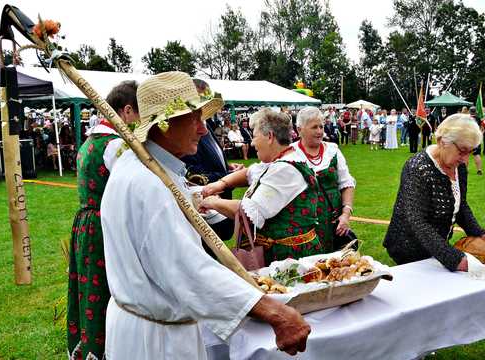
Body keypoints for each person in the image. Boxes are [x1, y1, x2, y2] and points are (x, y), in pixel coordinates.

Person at [101, 72, 310, 359]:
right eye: (195, 119)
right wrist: (274, 311)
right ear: (163, 125)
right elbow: (188, 271)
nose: (203, 130)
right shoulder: (147, 184)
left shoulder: (145, 169)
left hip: (150, 327)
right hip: (156, 343)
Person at [67, 80, 140, 360]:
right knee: (105, 293)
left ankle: (91, 348)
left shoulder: (90, 141)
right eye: (140, 114)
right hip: (103, 226)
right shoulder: (116, 146)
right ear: (127, 111)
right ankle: (105, 350)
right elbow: (131, 191)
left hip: (86, 223)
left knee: (90, 289)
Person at [201, 108, 328, 264]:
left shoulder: (285, 169)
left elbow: (250, 212)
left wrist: (213, 202)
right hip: (280, 255)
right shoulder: (278, 161)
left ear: (269, 136)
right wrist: (221, 183)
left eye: (254, 136)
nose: (252, 142)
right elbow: (250, 172)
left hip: (289, 259)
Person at [383, 114, 485, 271]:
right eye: (462, 151)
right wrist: (454, 259)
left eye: (470, 152)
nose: (465, 159)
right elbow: (417, 221)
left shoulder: (459, 166)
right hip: (408, 250)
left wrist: (480, 234)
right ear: (442, 141)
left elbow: (460, 205)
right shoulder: (417, 168)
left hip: (435, 248)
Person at [290, 106, 356, 251]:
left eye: (321, 126)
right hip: (304, 228)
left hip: (335, 225)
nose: (320, 131)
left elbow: (347, 184)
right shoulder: (290, 153)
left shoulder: (332, 150)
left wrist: (345, 214)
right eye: (314, 127)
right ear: (299, 129)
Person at [468, 106, 483, 175]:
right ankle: (479, 169)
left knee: (466, 154)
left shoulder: (467, 119)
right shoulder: (478, 118)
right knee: (477, 154)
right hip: (476, 138)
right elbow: (480, 128)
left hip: (468, 137)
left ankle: (465, 169)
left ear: (469, 111)